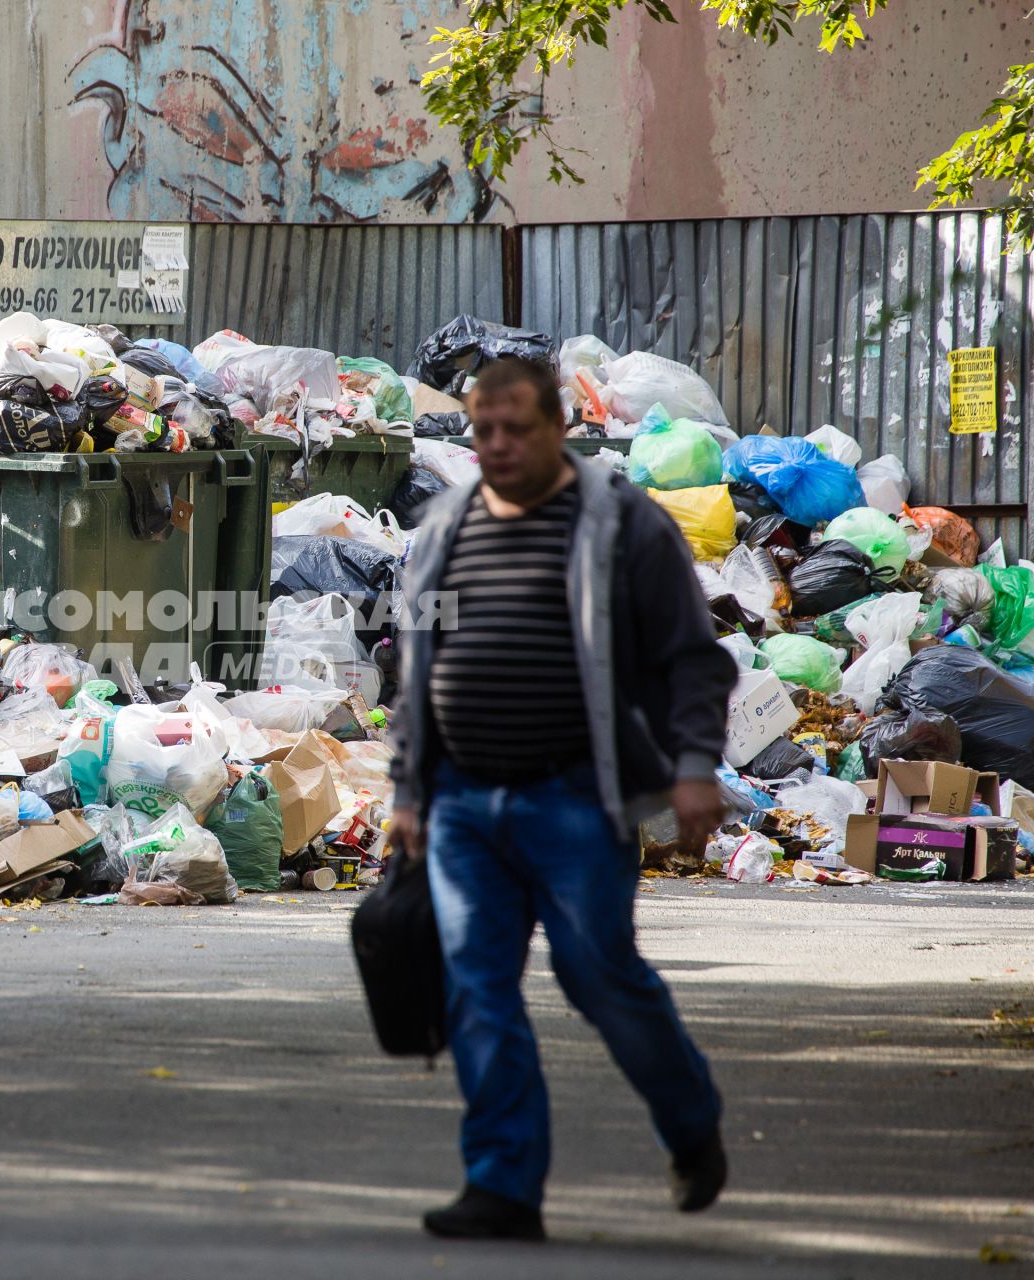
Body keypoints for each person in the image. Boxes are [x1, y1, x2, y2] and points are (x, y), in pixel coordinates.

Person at [387, 356, 735, 1242]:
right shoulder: (442, 531)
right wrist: (408, 790)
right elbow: (416, 674)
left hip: (577, 796)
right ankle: (502, 1184)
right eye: (482, 430)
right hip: (464, 800)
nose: (496, 446)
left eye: (516, 429)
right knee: (476, 987)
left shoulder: (622, 525)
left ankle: (691, 1121)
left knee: (599, 976)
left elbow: (693, 659)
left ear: (560, 428)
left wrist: (694, 766)